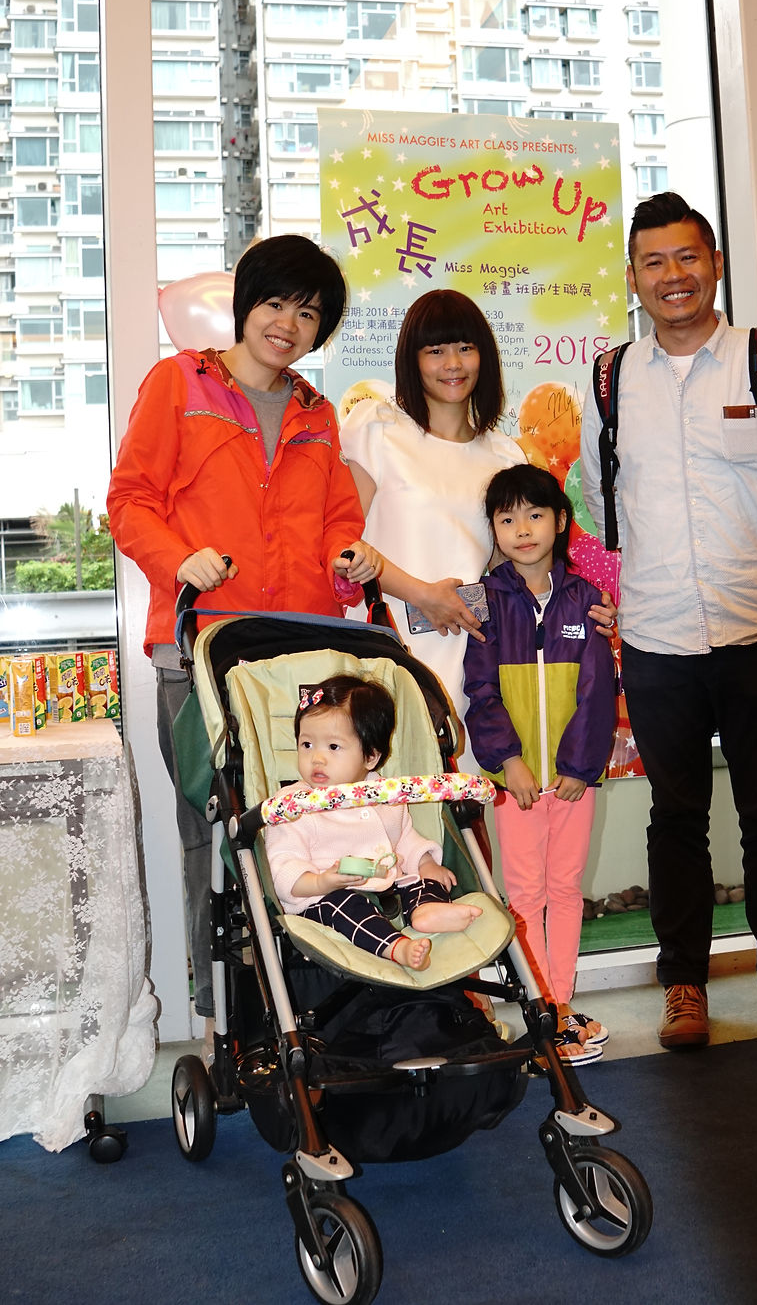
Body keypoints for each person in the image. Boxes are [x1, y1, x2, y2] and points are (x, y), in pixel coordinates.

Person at [579, 192, 757, 1050]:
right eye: (654, 262)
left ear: (715, 264)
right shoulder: (609, 380)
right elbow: (602, 501)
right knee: (674, 818)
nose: (673, 276)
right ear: (633, 277)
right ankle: (684, 987)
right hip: (656, 638)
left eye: (687, 257)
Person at [107, 234, 382, 1026]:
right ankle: (224, 1015)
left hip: (299, 654)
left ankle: (309, 1006)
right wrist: (178, 559)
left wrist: (352, 562)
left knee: (307, 824)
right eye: (275, 303)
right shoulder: (179, 383)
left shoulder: (317, 412)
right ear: (245, 304)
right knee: (215, 831)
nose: (288, 324)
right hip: (200, 648)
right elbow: (130, 500)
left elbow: (337, 523)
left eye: (309, 314)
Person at [340, 289, 616, 769]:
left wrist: (585, 602)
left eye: (465, 348)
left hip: (473, 656)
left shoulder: (503, 454)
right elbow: (344, 546)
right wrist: (423, 594)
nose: (453, 364)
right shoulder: (377, 429)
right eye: (436, 350)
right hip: (385, 648)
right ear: (412, 360)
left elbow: (518, 567)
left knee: (462, 800)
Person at [463, 464, 617, 1064]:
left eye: (534, 515)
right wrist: (509, 762)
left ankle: (562, 1004)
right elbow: (480, 691)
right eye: (507, 519)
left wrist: (580, 767)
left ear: (560, 520)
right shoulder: (484, 600)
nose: (522, 529)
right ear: (494, 530)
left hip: (574, 779)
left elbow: (597, 694)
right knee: (524, 894)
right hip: (517, 783)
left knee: (567, 888)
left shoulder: (586, 598)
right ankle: (541, 1009)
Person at [265, 675, 481, 972]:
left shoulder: (384, 793)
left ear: (370, 756)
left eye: (333, 746)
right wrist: (322, 881)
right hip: (322, 899)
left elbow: (405, 838)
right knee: (342, 905)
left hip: (388, 887)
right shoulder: (293, 805)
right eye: (307, 744)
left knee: (421, 879)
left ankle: (426, 910)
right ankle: (397, 947)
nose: (317, 758)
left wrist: (426, 863)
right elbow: (282, 867)